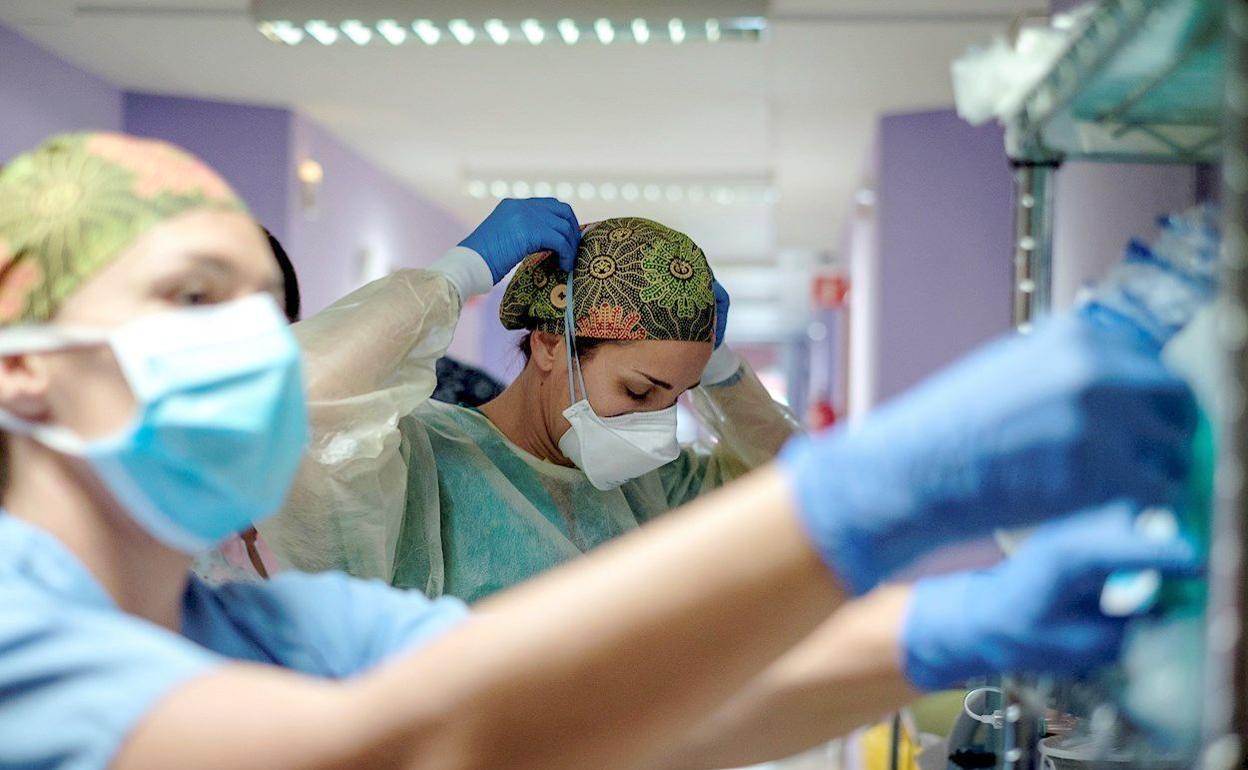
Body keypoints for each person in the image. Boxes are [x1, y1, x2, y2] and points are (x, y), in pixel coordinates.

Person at [0, 133, 1199, 770]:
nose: (251, 361)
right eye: (193, 299)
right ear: (19, 346)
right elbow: (413, 742)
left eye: (265, 322)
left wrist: (950, 629)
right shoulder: (19, 635)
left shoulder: (268, 631)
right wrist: (888, 487)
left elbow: (609, 705)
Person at [262, 211, 798, 600]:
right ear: (547, 343)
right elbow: (299, 410)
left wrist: (721, 371)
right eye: (638, 391)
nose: (656, 428)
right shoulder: (420, 467)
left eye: (675, 398)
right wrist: (455, 275)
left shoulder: (649, 485)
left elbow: (792, 485)